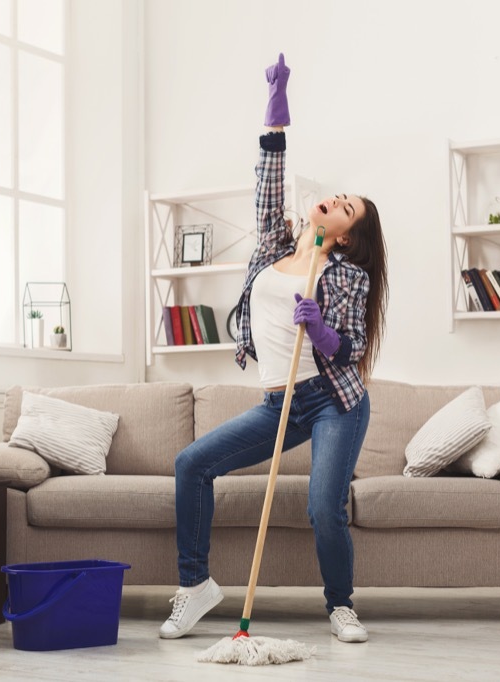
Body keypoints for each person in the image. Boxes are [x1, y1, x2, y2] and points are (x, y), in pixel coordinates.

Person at [158, 52, 388, 644]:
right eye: (338, 196)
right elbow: (269, 182)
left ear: (347, 234)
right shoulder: (271, 248)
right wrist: (275, 110)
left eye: (346, 207)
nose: (335, 199)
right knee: (191, 464)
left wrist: (321, 329)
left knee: (322, 507)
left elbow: (349, 348)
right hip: (278, 399)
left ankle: (341, 606)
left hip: (335, 400)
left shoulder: (347, 276)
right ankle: (195, 586)